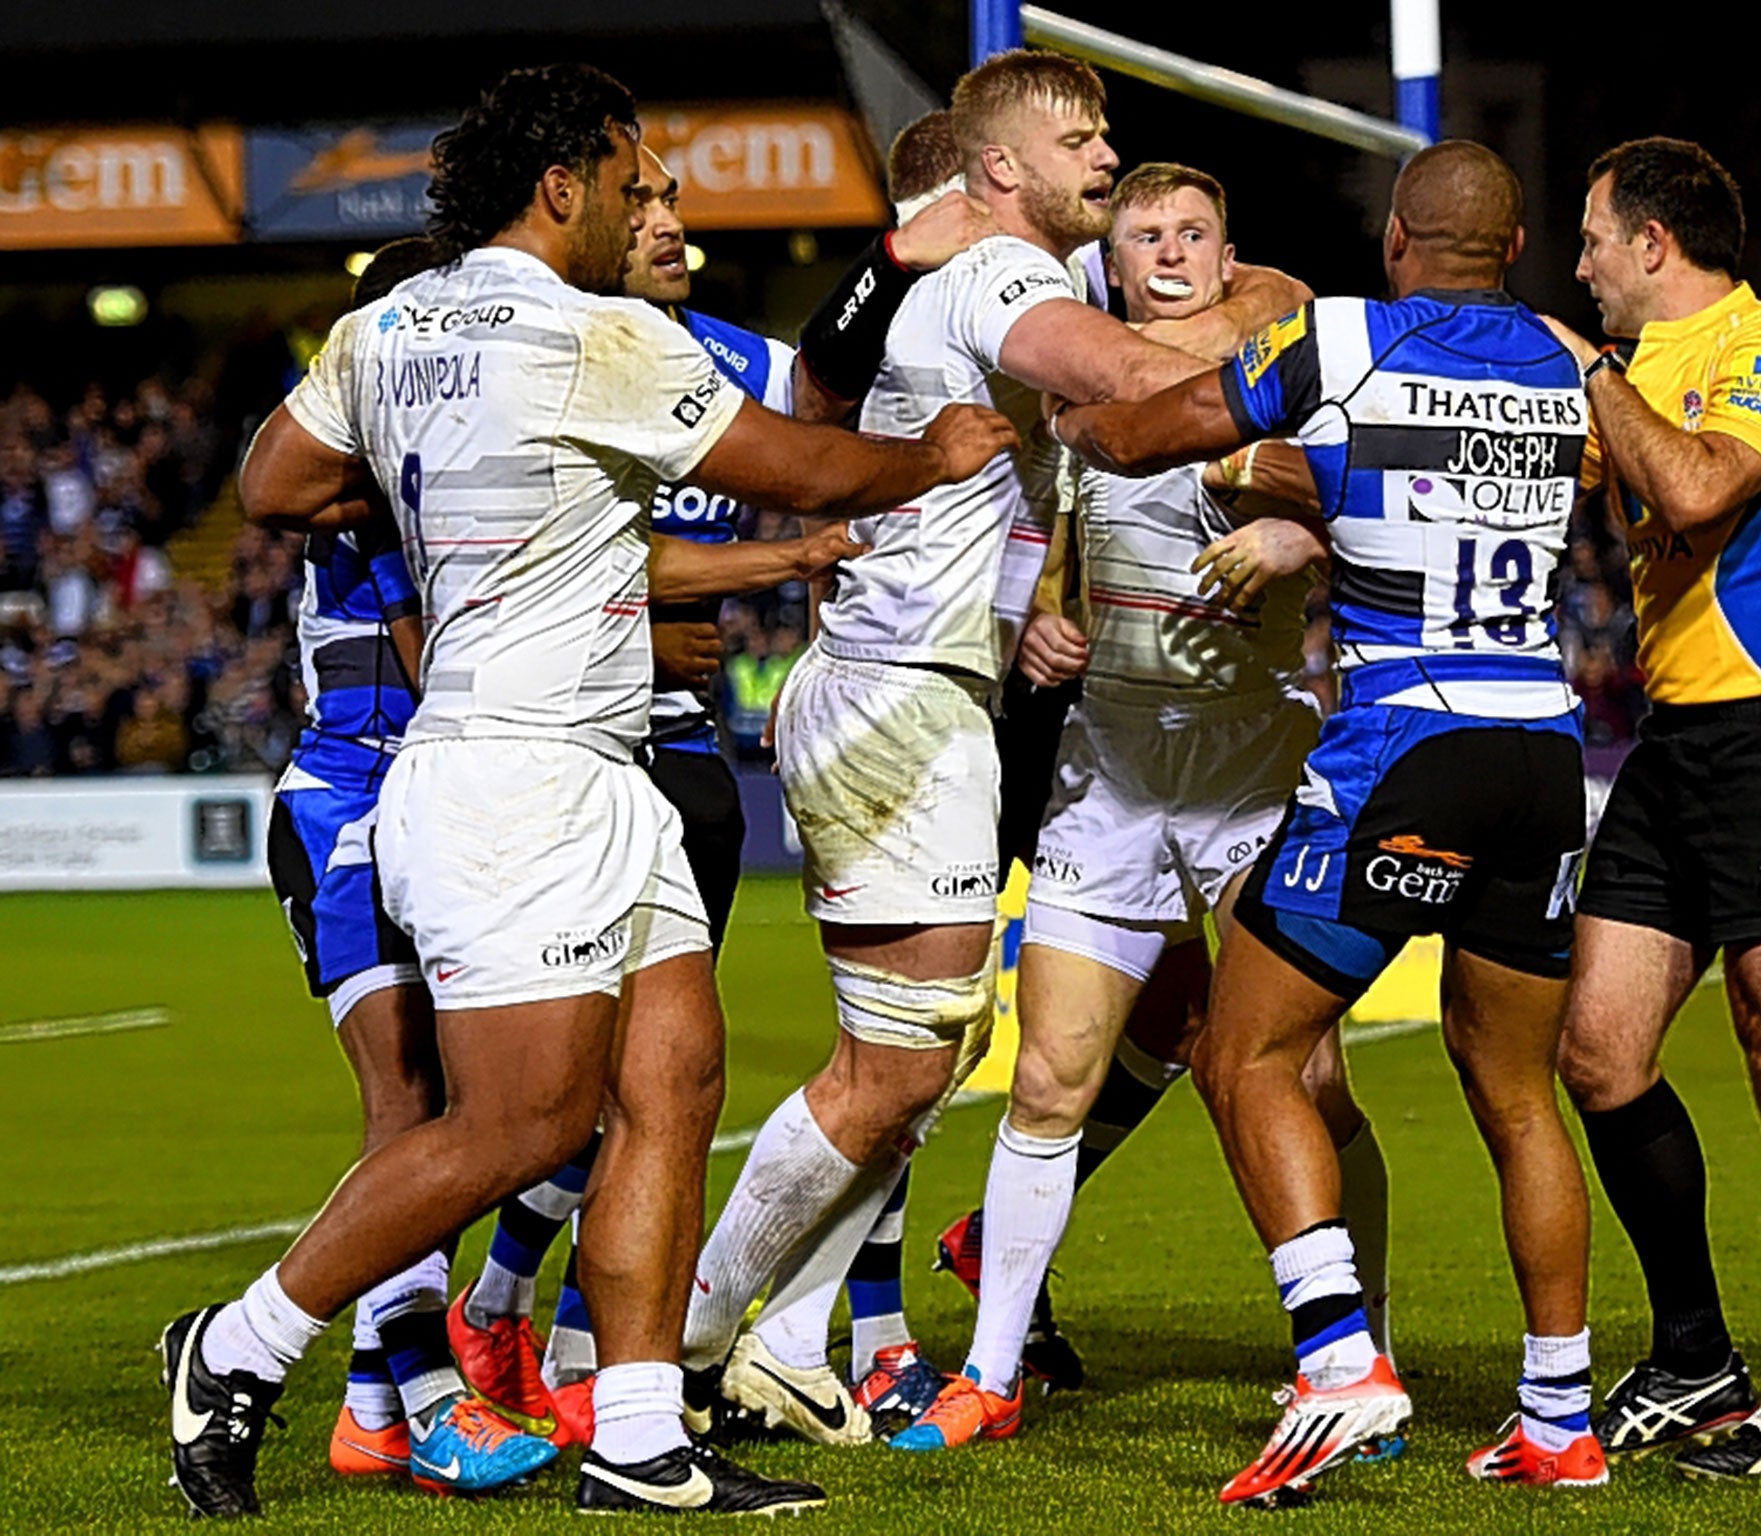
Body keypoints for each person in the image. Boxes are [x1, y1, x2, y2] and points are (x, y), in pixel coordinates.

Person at [159, 61, 1015, 1519]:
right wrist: (929, 455)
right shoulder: (596, 335)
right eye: (632, 182)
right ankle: (238, 1349)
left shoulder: (387, 327)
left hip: (592, 764)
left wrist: (446, 496)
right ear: (562, 187)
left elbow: (274, 488)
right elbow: (798, 465)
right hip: (511, 775)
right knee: (522, 1127)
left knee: (672, 1086)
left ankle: (638, 1435)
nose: (645, 209)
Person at [675, 46, 1227, 1432]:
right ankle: (670, 1344)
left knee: (919, 1053)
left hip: (905, 693)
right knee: (905, 1063)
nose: (1105, 153)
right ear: (999, 169)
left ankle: (788, 1340)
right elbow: (1126, 381)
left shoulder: (942, 278)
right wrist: (1321, 377)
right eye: (1077, 136)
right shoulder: (1000, 277)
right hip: (901, 701)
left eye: (1108, 131)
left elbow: (823, 384)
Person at [1049, 140, 1605, 1503]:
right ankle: (1558, 1417)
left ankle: (1341, 1363)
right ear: (1517, 246)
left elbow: (1138, 435)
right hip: (1545, 750)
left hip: (1404, 748)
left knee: (1244, 1055)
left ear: (1400, 241)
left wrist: (1058, 420)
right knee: (1521, 1097)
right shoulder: (1560, 362)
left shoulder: (1337, 338)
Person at [443, 134, 1000, 1451]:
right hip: (550, 745)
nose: (670, 225)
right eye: (645, 206)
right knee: (580, 1082)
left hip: (686, 751)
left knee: (785, 1059)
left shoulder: (738, 366)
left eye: (677, 202)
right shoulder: (542, 356)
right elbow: (554, 553)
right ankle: (497, 1319)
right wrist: (732, 577)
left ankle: (806, 1338)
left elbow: (833, 435)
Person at [891, 160, 1390, 1455]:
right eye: (1145, 234)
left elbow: (1396, 517)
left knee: (1312, 1083)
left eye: (1194, 233)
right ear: (1109, 267)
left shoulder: (1285, 378)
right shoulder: (1072, 394)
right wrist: (1047, 609)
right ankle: (988, 1380)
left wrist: (1305, 538)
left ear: (1229, 258)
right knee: (1049, 1079)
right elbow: (1045, 538)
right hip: (1111, 774)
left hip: (1251, 777)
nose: (1168, 251)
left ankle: (1354, 1358)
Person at [1542, 136, 1761, 1479]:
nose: (1580, 266)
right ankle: (1695, 1357)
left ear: (1654, 243)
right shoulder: (1627, 380)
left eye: (1590, 238)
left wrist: (1593, 378)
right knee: (1600, 1052)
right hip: (1676, 746)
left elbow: (1689, 488)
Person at [266, 235, 559, 1495]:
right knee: (409, 1105)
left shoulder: (419, 475)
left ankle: (376, 1404)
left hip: (440, 797)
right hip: (351, 808)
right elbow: (441, 646)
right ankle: (431, 1398)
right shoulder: (374, 485)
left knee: (501, 1100)